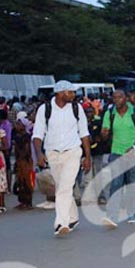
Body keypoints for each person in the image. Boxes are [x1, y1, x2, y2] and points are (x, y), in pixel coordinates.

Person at [32, 81, 92, 237]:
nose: (73, 95)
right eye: (70, 92)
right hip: (53, 153)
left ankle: (61, 223)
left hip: (73, 152)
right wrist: (39, 154)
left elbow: (84, 133)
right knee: (62, 187)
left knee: (65, 187)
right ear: (60, 93)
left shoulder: (76, 108)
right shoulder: (44, 110)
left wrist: (87, 157)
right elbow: (37, 135)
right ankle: (73, 218)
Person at [101, 89, 135, 228]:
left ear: (126, 98)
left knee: (132, 183)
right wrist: (104, 133)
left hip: (134, 153)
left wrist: (133, 147)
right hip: (116, 152)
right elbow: (105, 134)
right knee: (116, 183)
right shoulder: (109, 113)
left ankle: (132, 212)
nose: (116, 100)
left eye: (119, 97)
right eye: (114, 97)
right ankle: (112, 215)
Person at [12, 116, 34, 210]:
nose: (16, 126)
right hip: (20, 161)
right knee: (20, 181)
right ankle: (22, 201)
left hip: (25, 161)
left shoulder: (26, 137)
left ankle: (28, 202)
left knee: (26, 182)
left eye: (18, 124)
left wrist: (22, 160)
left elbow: (27, 150)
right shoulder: (17, 136)